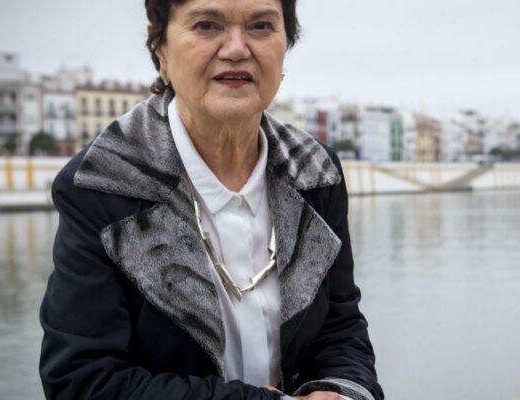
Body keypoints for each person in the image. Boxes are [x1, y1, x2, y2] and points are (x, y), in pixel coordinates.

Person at [38, 0, 383, 399]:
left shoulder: (315, 173)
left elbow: (343, 329)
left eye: (261, 26)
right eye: (206, 25)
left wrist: (343, 392)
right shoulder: (102, 185)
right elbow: (83, 381)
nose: (236, 48)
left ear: (286, 44)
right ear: (160, 47)